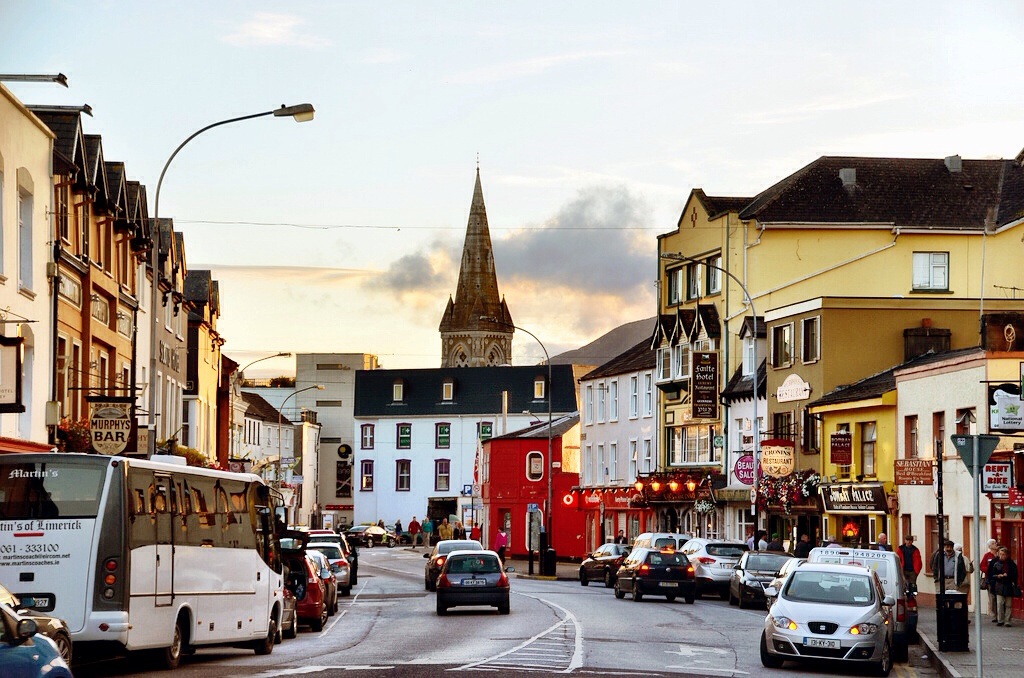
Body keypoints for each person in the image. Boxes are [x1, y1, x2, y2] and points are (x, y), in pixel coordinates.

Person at [984, 546, 1019, 627]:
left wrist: (1008, 575)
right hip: (999, 585)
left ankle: (1007, 621)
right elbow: (991, 575)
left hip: (1008, 585)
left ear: (1007, 555)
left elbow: (1015, 575)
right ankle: (1000, 620)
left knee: (1008, 604)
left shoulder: (1011, 564)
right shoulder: (995, 563)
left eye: (1003, 554)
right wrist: (997, 576)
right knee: (999, 603)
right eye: (1000, 554)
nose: (1002, 556)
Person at [980, 538, 1000, 619]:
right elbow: (981, 566)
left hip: (1000, 579)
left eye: (995, 542)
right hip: (990, 580)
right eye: (993, 543)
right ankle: (995, 614)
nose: (996, 544)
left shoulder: (1000, 554)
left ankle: (1000, 615)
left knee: (1000, 597)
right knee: (992, 597)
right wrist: (989, 570)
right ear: (990, 546)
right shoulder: (987, 555)